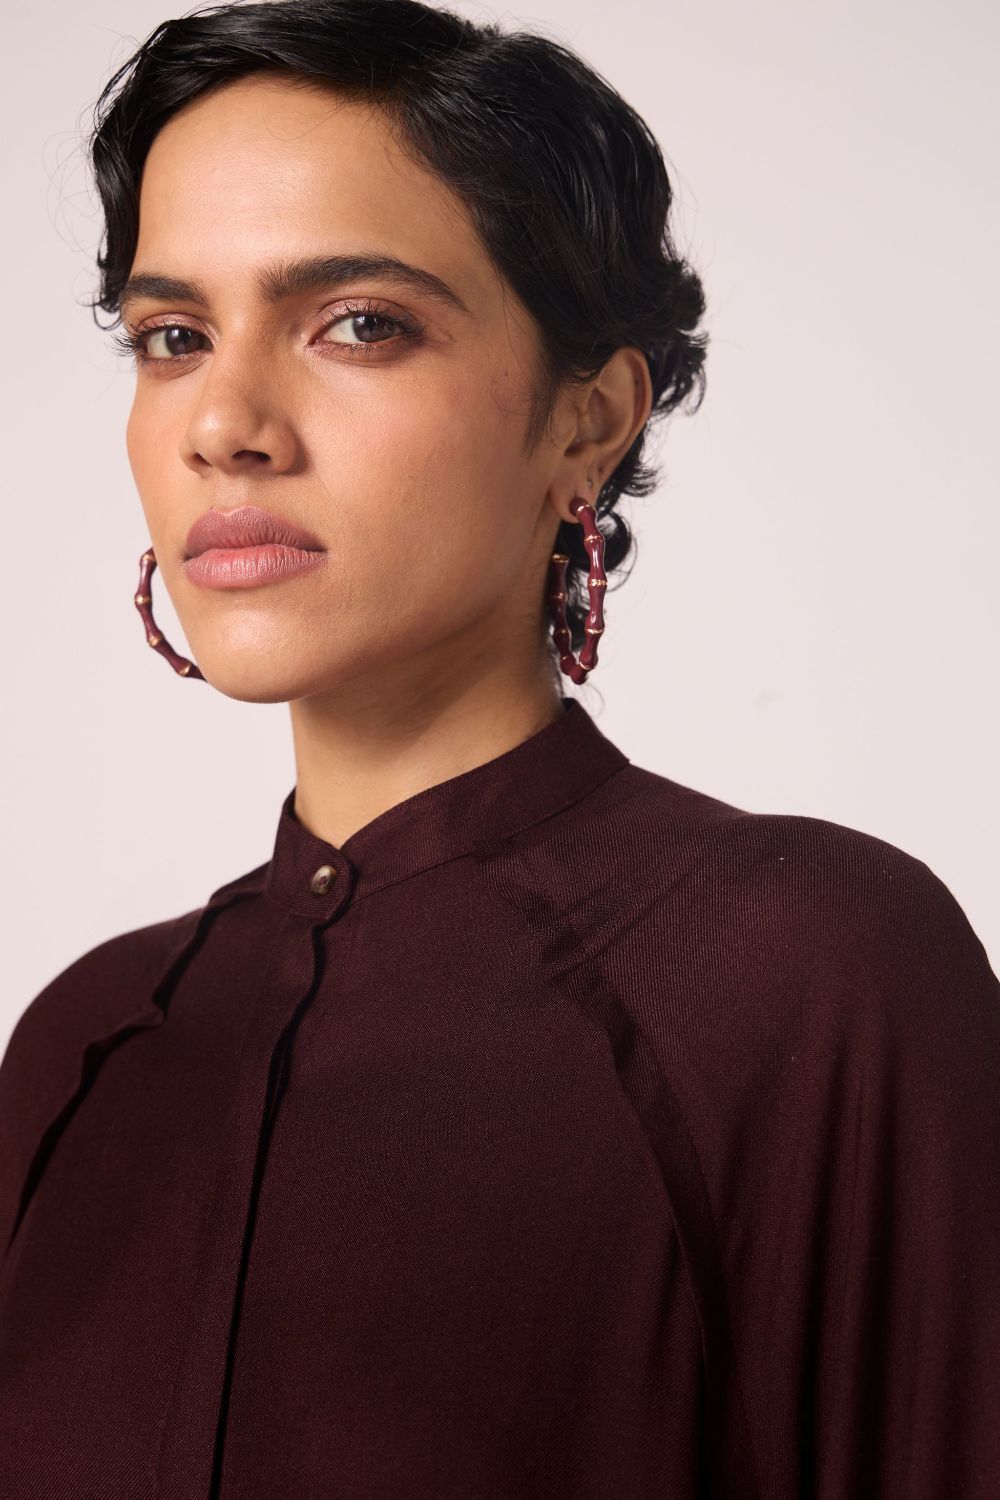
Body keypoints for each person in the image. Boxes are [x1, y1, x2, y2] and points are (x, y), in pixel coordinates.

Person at [1, 1, 997, 1495]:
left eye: (360, 324)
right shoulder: (81, 1045)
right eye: (174, 337)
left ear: (588, 420)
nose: (224, 423)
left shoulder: (802, 971)